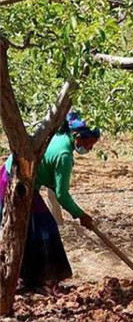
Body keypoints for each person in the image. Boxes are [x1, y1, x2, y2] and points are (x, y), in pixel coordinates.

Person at [0, 111, 100, 295]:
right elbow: (62, 195)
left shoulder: (58, 136)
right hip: (15, 185)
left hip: (9, 176)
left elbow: (49, 176)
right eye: (88, 144)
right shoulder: (64, 155)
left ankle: (31, 278)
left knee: (32, 229)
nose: (89, 149)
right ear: (78, 136)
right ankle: (43, 280)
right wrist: (81, 215)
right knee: (44, 228)